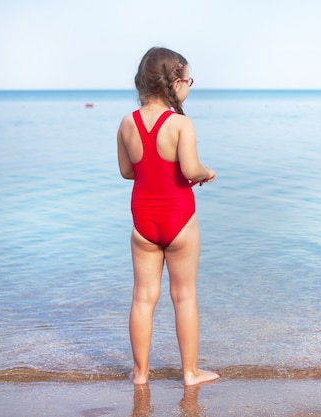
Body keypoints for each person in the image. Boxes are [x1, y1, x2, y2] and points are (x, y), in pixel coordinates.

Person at [117, 47, 219, 386]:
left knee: (143, 298)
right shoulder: (180, 124)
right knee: (184, 295)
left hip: (142, 223)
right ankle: (190, 373)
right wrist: (205, 172)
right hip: (179, 219)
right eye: (188, 80)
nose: (189, 86)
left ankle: (140, 373)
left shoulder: (127, 122)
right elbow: (189, 169)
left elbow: (126, 172)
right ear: (175, 83)